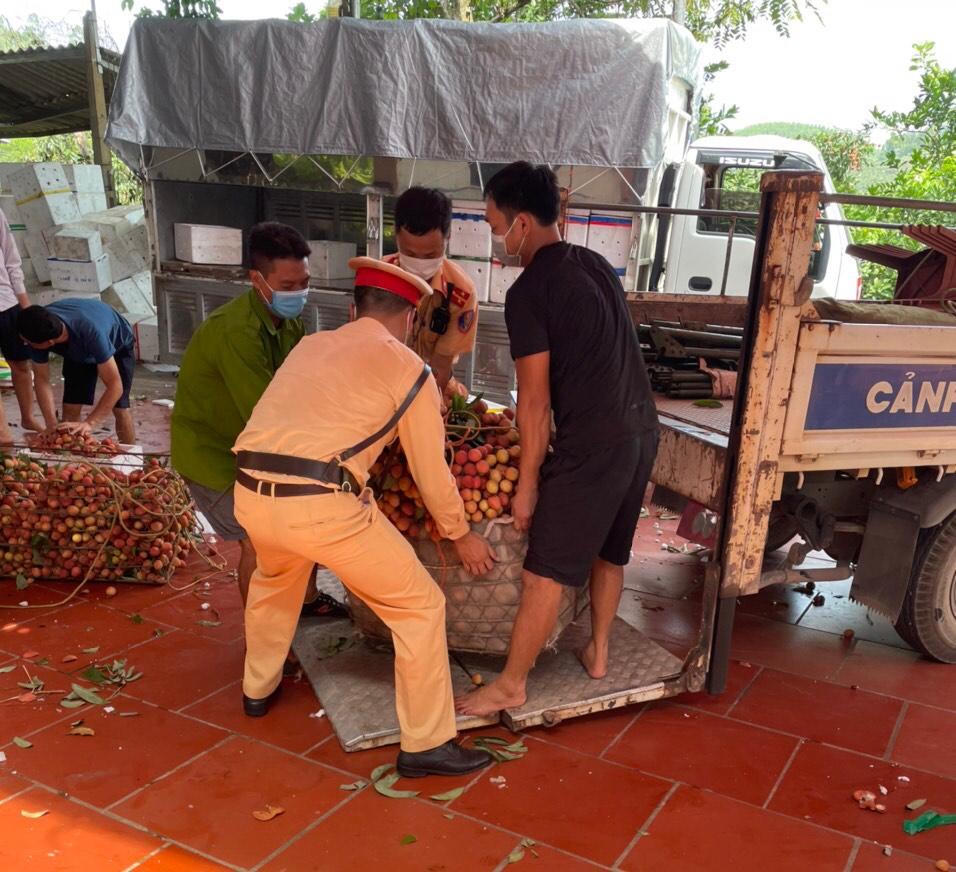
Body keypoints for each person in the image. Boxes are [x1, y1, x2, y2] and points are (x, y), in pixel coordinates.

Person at [233, 256, 496, 777]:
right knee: (419, 608)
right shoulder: (408, 369)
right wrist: (460, 533)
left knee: (274, 582)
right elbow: (430, 471)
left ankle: (256, 689)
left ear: (355, 308)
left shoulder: (311, 344)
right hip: (320, 507)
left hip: (250, 493)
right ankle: (426, 745)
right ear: (411, 318)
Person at [457, 162, 660, 717]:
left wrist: (527, 486)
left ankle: (512, 684)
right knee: (609, 552)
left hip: (592, 444)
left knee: (544, 568)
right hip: (641, 431)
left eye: (497, 225)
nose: (497, 238)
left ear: (522, 223)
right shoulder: (594, 265)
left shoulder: (530, 293)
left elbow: (536, 402)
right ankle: (598, 650)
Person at [172, 222, 315, 608]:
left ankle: (308, 600)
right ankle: (260, 647)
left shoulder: (290, 322)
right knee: (258, 542)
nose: (299, 294)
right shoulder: (236, 332)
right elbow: (266, 414)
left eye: (304, 283)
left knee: (308, 517)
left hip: (252, 448)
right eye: (288, 287)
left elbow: (300, 387)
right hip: (213, 455)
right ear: (257, 279)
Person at [383, 186, 479, 392]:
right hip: (382, 383)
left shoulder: (460, 293)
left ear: (448, 238)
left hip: (430, 385)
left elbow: (440, 367)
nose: (420, 263)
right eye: (409, 253)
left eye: (430, 255)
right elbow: (365, 346)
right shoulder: (378, 280)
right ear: (396, 236)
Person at [18, 299, 137, 444]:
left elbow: (115, 386)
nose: (25, 344)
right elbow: (41, 380)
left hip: (117, 343)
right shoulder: (36, 327)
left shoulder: (92, 333)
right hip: (77, 352)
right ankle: (72, 460)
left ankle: (131, 457)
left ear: (49, 343)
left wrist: (90, 423)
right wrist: (51, 424)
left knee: (120, 408)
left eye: (28, 343)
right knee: (69, 413)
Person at [0, 206, 42, 442]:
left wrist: (25, 305)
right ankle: (3, 431)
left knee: (22, 366)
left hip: (6, 301)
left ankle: (28, 416)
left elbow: (11, 258)